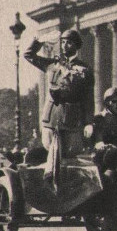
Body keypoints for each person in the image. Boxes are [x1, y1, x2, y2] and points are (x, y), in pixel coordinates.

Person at [23, 29, 94, 189]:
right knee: (51, 151)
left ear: (76, 46)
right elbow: (28, 55)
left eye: (69, 42)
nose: (64, 45)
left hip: (72, 120)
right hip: (51, 119)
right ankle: (49, 187)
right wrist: (39, 41)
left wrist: (89, 122)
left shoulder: (85, 70)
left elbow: (88, 99)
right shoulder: (52, 65)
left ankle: (67, 190)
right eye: (62, 42)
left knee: (69, 156)